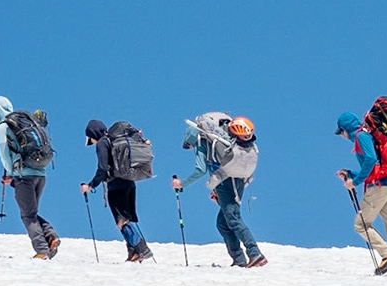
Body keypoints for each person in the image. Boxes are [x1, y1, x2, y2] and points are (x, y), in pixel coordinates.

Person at [173, 112, 266, 268]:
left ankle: (254, 253)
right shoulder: (221, 137)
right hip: (238, 179)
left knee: (233, 219)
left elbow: (201, 170)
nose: (190, 148)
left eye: (188, 146)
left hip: (225, 180)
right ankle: (239, 259)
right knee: (223, 223)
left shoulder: (201, 141)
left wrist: (181, 183)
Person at [335, 108, 387, 276]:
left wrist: (354, 182)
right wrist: (351, 174)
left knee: (361, 224)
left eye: (341, 131)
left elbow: (371, 160)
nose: (342, 136)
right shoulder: (367, 134)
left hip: (378, 187)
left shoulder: (360, 136)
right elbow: (375, 166)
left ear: (346, 128)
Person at [0, 95, 59, 259]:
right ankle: (50, 237)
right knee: (31, 212)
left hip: (24, 177)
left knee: (27, 215)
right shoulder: (25, 123)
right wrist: (13, 179)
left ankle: (42, 250)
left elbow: (4, 154)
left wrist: (11, 173)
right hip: (40, 174)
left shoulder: (4, 127)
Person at [82, 119, 153, 262]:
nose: (93, 142)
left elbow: (102, 168)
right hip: (130, 183)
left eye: (91, 139)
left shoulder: (103, 143)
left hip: (116, 186)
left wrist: (90, 185)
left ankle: (141, 248)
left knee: (122, 220)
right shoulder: (114, 140)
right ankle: (133, 253)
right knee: (130, 217)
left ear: (93, 134)